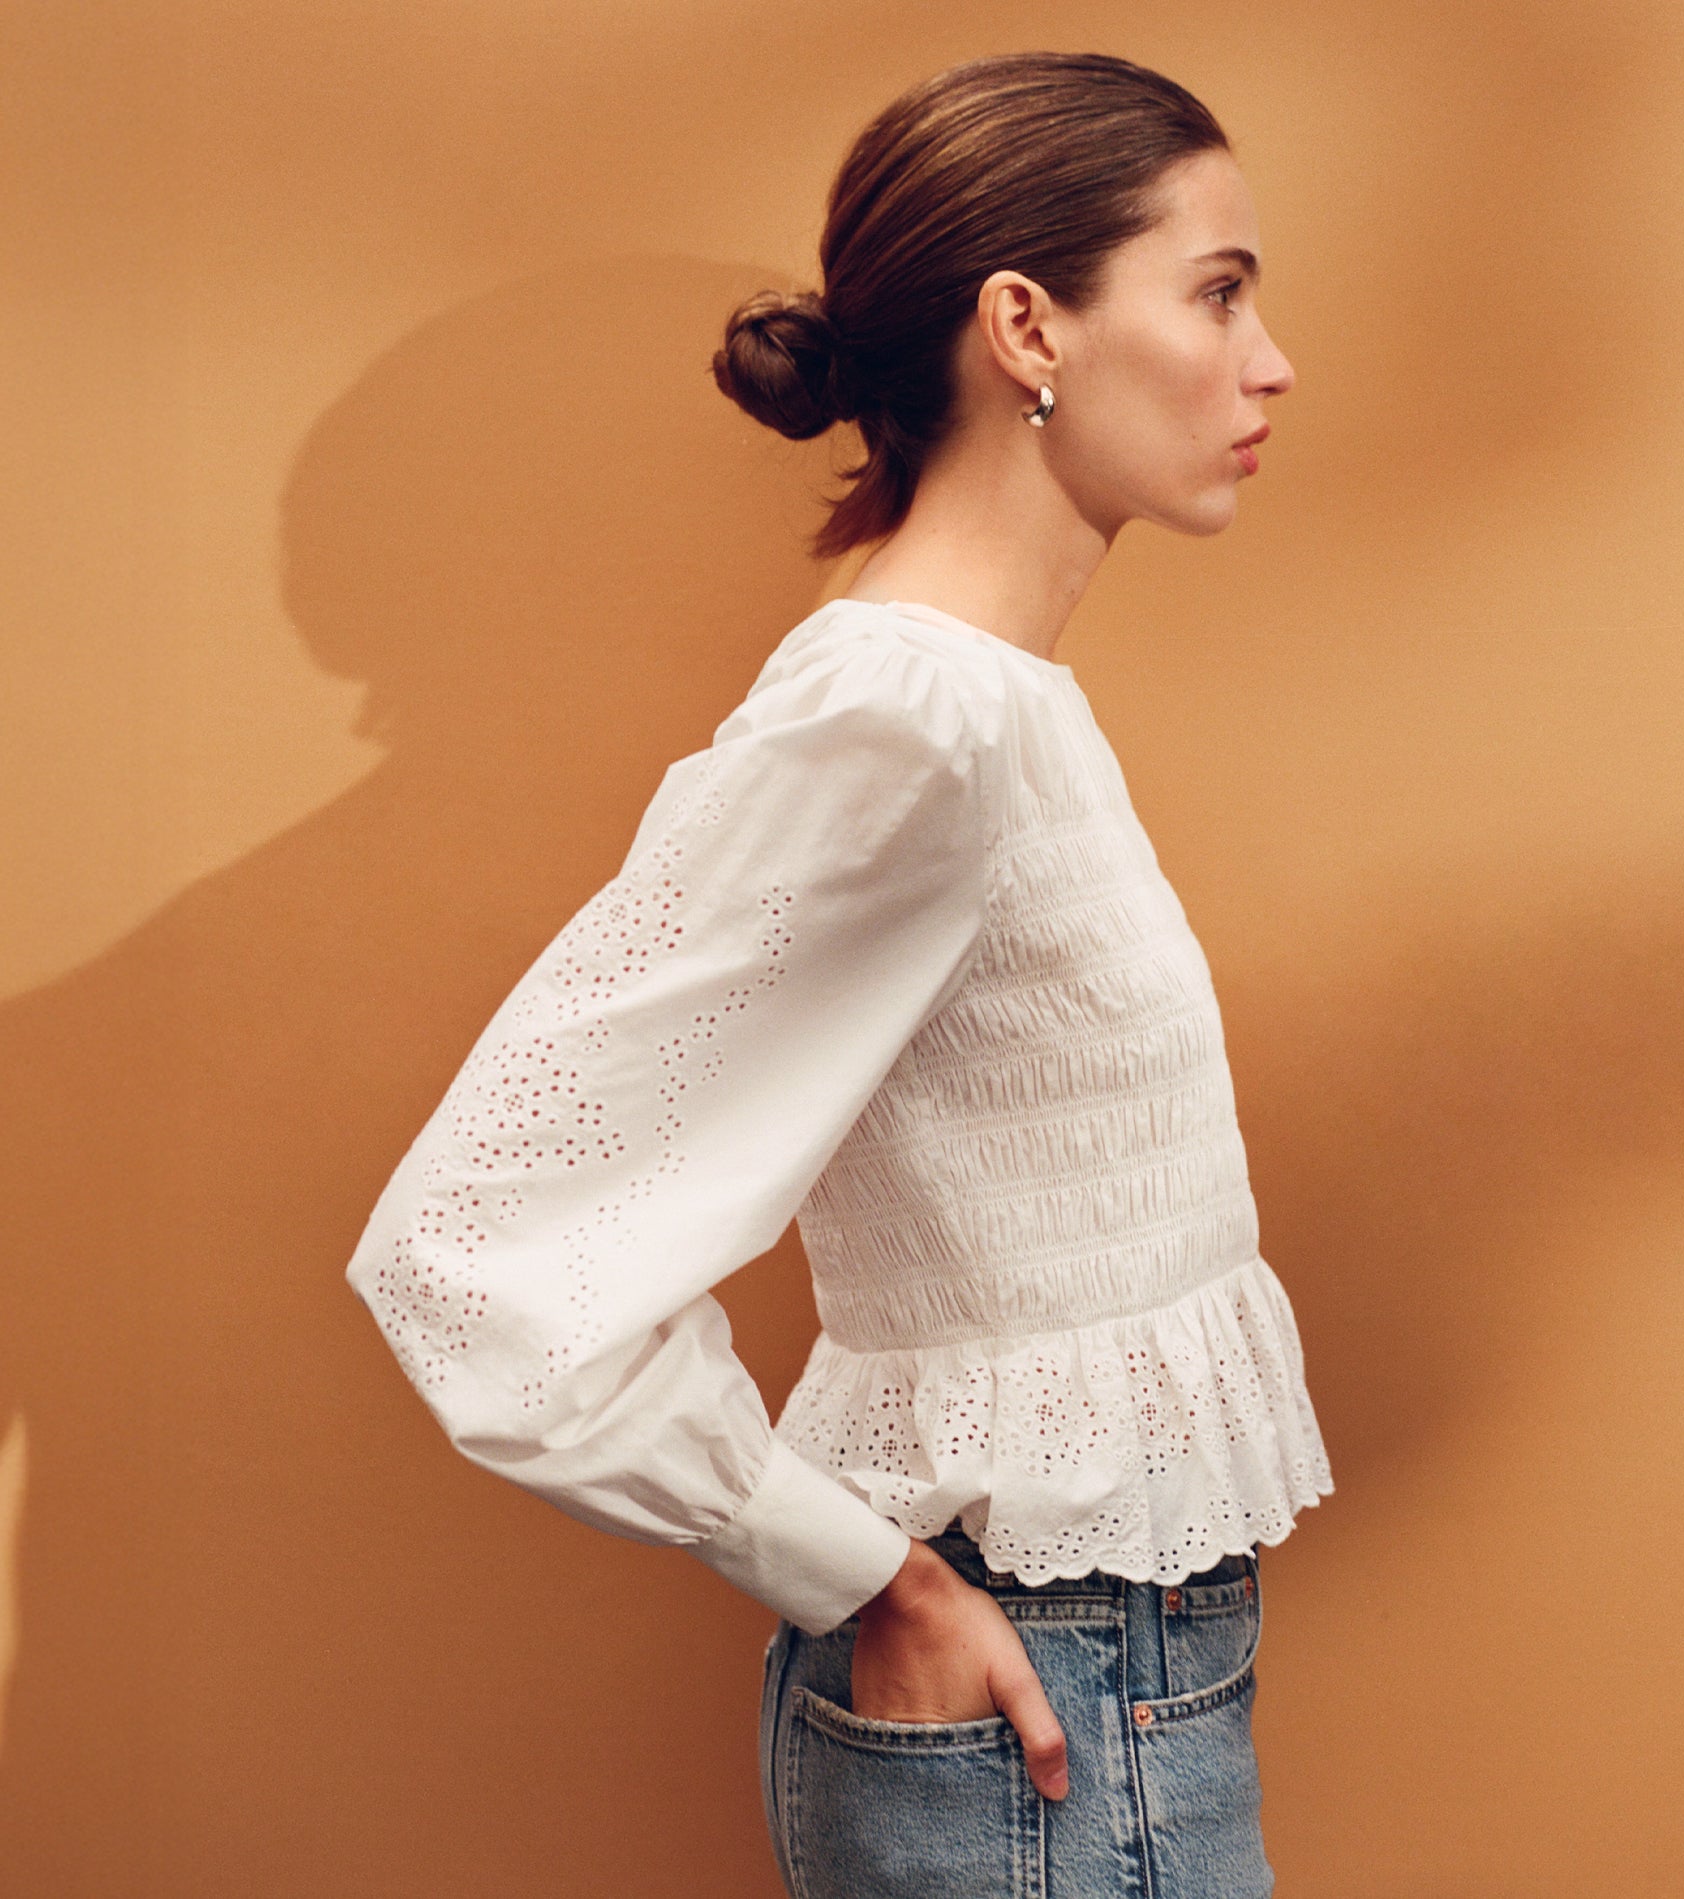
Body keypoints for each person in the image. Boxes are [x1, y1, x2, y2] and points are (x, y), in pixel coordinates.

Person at [343, 48, 1333, 1899]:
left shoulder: (977, 697)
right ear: (1026, 326)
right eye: (1216, 291)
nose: (1269, 359)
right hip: (1055, 1696)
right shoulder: (910, 715)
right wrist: (854, 1566)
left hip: (1106, 1681)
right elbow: (465, 1252)